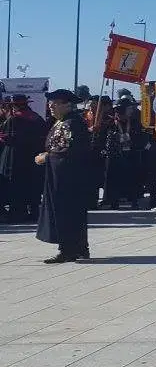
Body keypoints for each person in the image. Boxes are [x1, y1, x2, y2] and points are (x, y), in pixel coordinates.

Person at [35, 89, 93, 263]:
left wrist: (47, 156)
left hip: (68, 177)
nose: (50, 107)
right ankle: (80, 248)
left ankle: (68, 249)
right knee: (73, 211)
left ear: (66, 104)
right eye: (50, 104)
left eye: (54, 104)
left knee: (66, 211)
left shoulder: (72, 123)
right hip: (61, 175)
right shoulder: (63, 121)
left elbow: (70, 151)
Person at [1, 94, 47, 223]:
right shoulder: (37, 118)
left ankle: (17, 213)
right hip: (33, 157)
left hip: (15, 157)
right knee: (32, 184)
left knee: (16, 184)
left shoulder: (13, 120)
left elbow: (6, 138)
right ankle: (34, 212)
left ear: (14, 106)